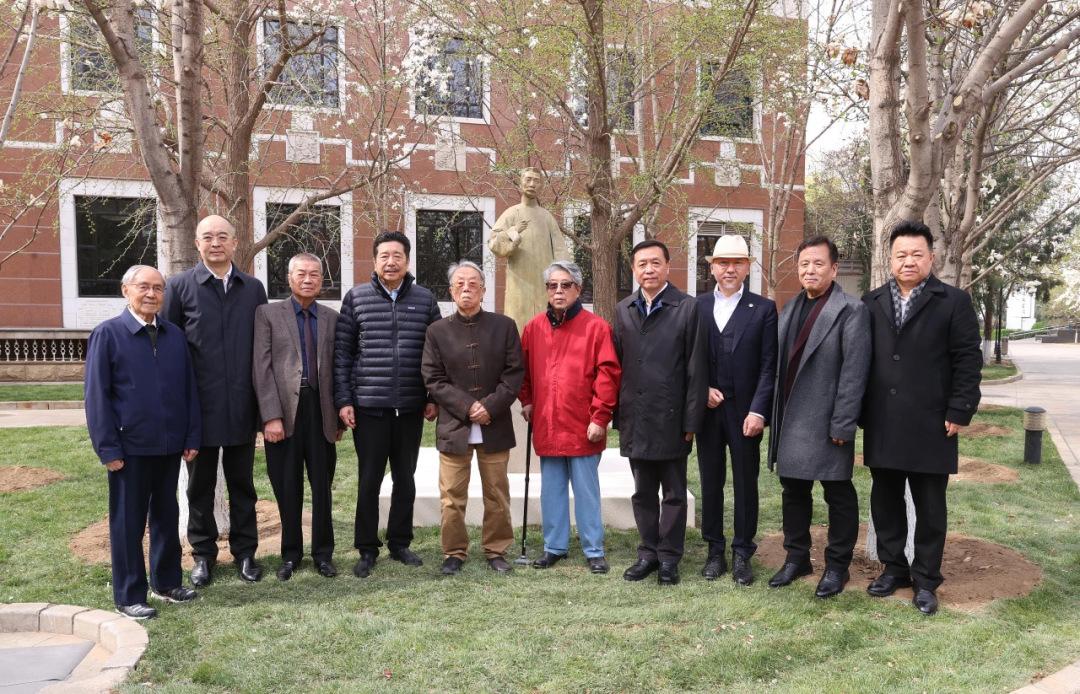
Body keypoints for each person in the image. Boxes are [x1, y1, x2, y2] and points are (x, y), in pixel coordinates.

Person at [861, 221, 982, 615]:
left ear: (931, 257)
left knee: (930, 506)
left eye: (916, 254)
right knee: (886, 501)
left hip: (933, 422)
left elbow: (968, 360)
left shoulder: (953, 301)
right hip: (883, 421)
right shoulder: (871, 301)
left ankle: (926, 579)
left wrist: (960, 408)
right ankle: (894, 569)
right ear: (890, 259)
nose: (908, 261)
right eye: (901, 254)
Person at [85, 265, 200, 619]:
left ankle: (166, 582)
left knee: (166, 516)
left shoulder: (174, 335)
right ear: (126, 290)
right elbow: (97, 396)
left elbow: (189, 390)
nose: (151, 294)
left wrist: (191, 435)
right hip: (129, 449)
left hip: (169, 446)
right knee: (128, 524)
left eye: (158, 288)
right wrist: (108, 448)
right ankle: (129, 595)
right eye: (143, 287)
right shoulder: (108, 334)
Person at [163, 215, 268, 586]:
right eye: (208, 237)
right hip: (198, 410)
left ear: (235, 242)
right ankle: (203, 555)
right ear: (197, 243)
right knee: (199, 488)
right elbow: (169, 349)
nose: (216, 243)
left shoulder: (253, 288)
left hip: (241, 406)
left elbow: (262, 349)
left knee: (243, 486)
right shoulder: (179, 287)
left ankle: (245, 553)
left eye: (223, 236)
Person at [766, 236, 870, 598]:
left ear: (834, 268)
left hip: (827, 421)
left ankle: (837, 566)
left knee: (838, 493)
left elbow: (854, 373)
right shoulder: (790, 308)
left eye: (818, 264)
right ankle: (797, 558)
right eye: (804, 264)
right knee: (793, 491)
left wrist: (843, 422)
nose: (810, 270)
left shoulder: (851, 310)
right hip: (790, 418)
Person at [334, 231, 440, 578]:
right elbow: (343, 354)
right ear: (375, 260)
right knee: (369, 480)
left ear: (407, 261)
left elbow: (436, 354)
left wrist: (432, 397)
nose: (391, 262)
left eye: (397, 256)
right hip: (369, 407)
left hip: (410, 406)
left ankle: (399, 542)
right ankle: (367, 548)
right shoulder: (356, 298)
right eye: (384, 256)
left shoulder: (425, 300)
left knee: (405, 479)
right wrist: (344, 400)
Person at [614, 240, 708, 585]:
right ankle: (648, 553)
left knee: (673, 493)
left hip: (672, 417)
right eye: (642, 264)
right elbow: (617, 365)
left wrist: (691, 420)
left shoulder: (687, 307)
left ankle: (669, 557)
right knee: (642, 492)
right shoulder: (624, 309)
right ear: (633, 269)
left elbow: (697, 369)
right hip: (636, 416)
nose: (649, 269)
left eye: (655, 262)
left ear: (668, 266)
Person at [421, 261, 524, 574]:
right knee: (452, 496)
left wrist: (488, 406)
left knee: (497, 494)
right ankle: (454, 551)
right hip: (455, 426)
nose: (466, 289)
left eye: (473, 284)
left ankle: (496, 550)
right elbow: (433, 378)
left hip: (495, 423)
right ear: (451, 291)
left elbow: (514, 374)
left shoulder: (504, 326)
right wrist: (468, 407)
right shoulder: (437, 331)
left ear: (483, 289)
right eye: (460, 284)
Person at [519, 261, 621, 574]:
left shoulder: (596, 328)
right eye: (553, 285)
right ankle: (554, 546)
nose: (559, 291)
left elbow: (608, 375)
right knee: (551, 490)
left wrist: (600, 417)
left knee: (586, 491)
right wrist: (527, 401)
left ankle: (594, 550)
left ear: (578, 289)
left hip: (583, 424)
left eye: (566, 285)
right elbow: (522, 371)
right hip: (548, 423)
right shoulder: (534, 328)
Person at [253, 253, 342, 581]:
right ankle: (290, 554)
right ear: (289, 278)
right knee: (287, 486)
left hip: (321, 412)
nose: (308, 279)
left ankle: (323, 554)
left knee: (322, 487)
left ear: (321, 280)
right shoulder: (267, 314)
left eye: (314, 274)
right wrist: (270, 416)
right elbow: (261, 368)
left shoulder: (332, 318)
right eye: (301, 273)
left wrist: (339, 418)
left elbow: (338, 369)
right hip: (284, 414)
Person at [694, 235, 777, 586]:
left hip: (746, 414)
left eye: (737, 263)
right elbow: (688, 360)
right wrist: (701, 390)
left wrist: (758, 411)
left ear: (747, 268)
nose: (730, 269)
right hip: (708, 412)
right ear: (712, 268)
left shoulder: (763, 309)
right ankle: (715, 550)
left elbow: (769, 365)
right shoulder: (696, 307)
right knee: (710, 481)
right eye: (723, 263)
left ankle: (742, 551)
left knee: (745, 482)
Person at [488, 167, 570, 333]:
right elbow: (494, 243)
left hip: (543, 286)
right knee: (517, 330)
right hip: (518, 285)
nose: (532, 184)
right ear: (521, 183)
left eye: (536, 181)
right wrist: (513, 232)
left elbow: (561, 252)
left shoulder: (547, 217)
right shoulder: (511, 213)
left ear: (541, 186)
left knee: (545, 330)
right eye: (528, 180)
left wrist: (563, 282)